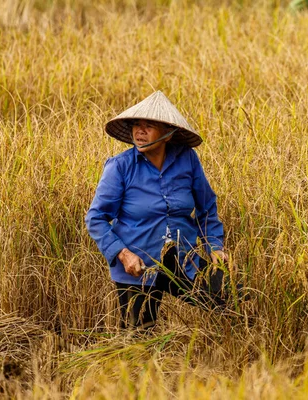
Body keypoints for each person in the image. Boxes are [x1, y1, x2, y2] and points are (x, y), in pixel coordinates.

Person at [85, 90, 228, 329]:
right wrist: (124, 254)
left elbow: (206, 206)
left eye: (149, 126)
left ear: (168, 134)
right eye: (136, 126)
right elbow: (96, 218)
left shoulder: (187, 160)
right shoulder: (120, 167)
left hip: (183, 260)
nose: (139, 132)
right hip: (139, 267)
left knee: (232, 300)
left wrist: (214, 246)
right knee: (138, 336)